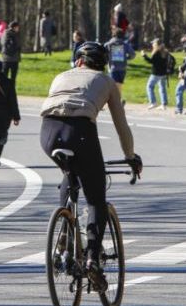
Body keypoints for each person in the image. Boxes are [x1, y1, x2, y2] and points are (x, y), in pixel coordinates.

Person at [40, 41, 142, 292]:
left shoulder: (60, 76)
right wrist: (130, 156)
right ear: (103, 64)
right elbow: (121, 125)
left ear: (78, 61)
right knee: (95, 199)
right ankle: (92, 260)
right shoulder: (106, 81)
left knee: (69, 172)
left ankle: (64, 228)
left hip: (48, 132)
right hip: (81, 132)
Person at [104, 27, 136, 100]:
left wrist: (106, 59)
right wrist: (127, 58)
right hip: (123, 68)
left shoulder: (109, 44)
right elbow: (133, 54)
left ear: (113, 35)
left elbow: (103, 53)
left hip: (113, 67)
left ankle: (115, 101)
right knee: (119, 85)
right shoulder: (125, 45)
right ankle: (118, 101)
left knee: (113, 85)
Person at [141, 38, 169, 110]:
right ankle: (164, 104)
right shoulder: (165, 52)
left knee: (149, 86)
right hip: (163, 73)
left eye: (153, 43)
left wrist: (144, 55)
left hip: (156, 73)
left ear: (156, 44)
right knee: (162, 88)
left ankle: (153, 102)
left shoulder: (156, 52)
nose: (152, 44)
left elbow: (151, 61)